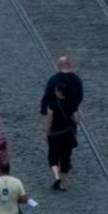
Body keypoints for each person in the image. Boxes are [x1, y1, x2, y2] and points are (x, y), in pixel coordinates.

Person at [38, 57, 85, 189]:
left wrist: (43, 110)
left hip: (54, 128)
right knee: (66, 153)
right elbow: (79, 98)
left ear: (59, 66)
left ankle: (56, 175)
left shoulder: (53, 80)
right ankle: (63, 181)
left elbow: (47, 96)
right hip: (68, 124)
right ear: (70, 64)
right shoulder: (76, 80)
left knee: (53, 154)